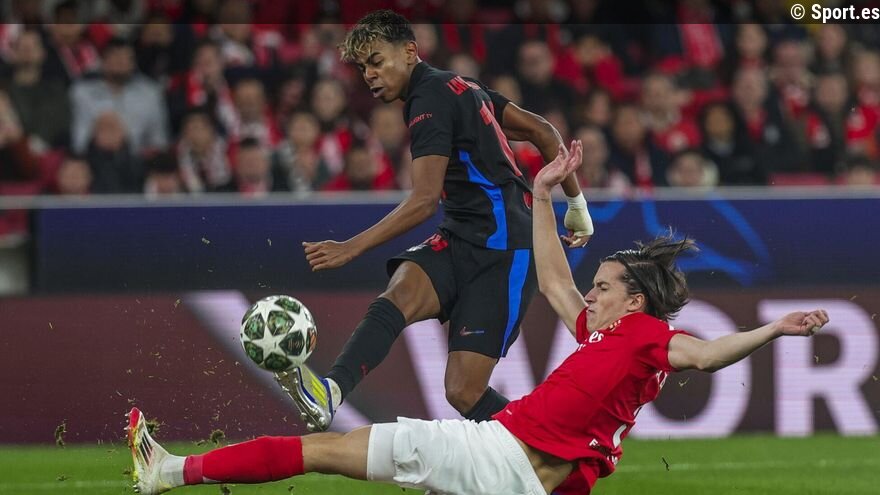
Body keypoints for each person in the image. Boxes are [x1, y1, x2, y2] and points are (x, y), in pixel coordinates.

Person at [127, 139, 830, 495]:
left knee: (322, 452)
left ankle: (169, 472)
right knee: (329, 454)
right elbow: (553, 279)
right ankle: (171, 471)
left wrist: (773, 329)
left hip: (495, 455)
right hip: (511, 466)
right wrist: (543, 197)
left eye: (604, 287)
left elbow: (705, 355)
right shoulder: (607, 335)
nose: (591, 295)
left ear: (636, 301)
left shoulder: (646, 336)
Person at [276, 9, 594, 432]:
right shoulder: (460, 85)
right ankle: (330, 391)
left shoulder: (428, 99)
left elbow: (425, 200)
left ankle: (546, 442)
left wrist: (351, 247)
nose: (370, 75)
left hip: (505, 249)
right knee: (401, 291)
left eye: (377, 61)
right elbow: (542, 130)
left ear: (410, 52)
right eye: (363, 67)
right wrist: (577, 206)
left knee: (463, 391)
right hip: (463, 232)